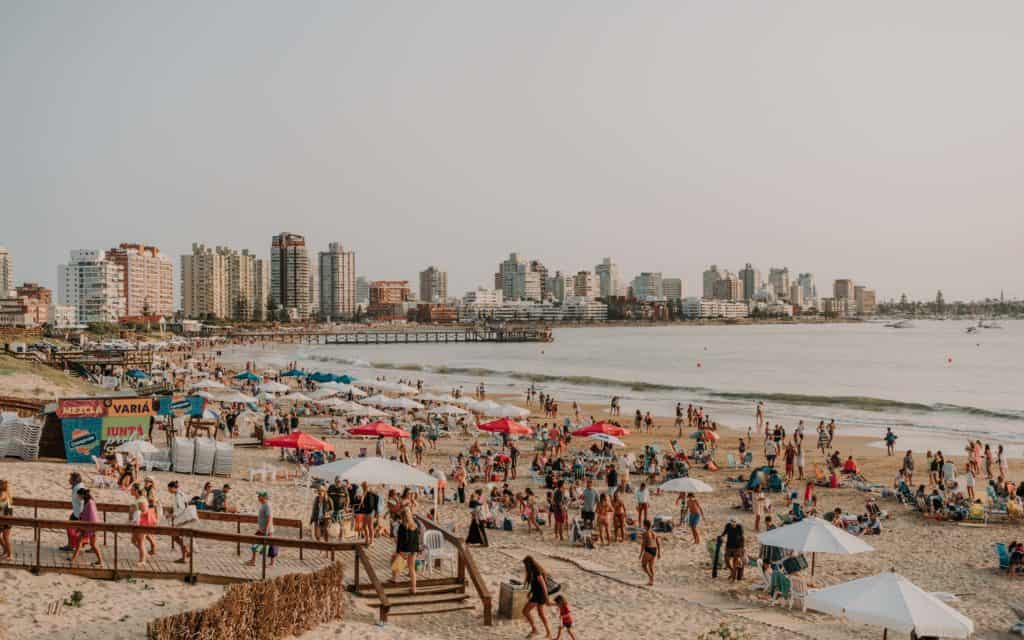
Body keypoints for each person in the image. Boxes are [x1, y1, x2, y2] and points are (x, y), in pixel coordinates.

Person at [522, 555, 556, 638]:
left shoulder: (536, 571)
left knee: (525, 611)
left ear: (529, 564)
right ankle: (548, 632)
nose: (525, 566)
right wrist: (530, 592)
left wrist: (546, 597)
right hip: (537, 594)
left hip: (539, 595)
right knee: (541, 614)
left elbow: (543, 585)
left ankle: (534, 629)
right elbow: (534, 584)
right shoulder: (532, 571)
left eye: (525, 565)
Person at [69, 488, 104, 566]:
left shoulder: (90, 503)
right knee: (82, 543)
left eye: (79, 496)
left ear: (82, 495)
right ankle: (73, 559)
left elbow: (92, 517)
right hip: (89, 526)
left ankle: (100, 561)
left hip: (91, 527)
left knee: (92, 544)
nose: (78, 497)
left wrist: (84, 528)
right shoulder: (88, 502)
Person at [393, 508, 421, 593]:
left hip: (405, 549)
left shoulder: (402, 526)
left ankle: (395, 579)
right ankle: (414, 588)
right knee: (411, 569)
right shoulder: (415, 525)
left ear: (403, 516)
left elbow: (401, 540)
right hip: (413, 549)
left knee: (396, 565)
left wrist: (398, 551)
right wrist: (417, 550)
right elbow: (417, 540)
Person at [168, 480, 196, 563]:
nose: (168, 490)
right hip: (183, 519)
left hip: (181, 519)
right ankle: (186, 553)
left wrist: (173, 515)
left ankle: (185, 555)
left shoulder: (178, 495)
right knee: (177, 537)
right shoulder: (180, 494)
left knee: (178, 537)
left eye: (169, 489)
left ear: (173, 488)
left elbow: (181, 508)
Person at [247, 491, 276, 567]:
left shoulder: (267, 505)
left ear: (263, 497)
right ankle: (253, 560)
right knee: (256, 542)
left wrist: (266, 529)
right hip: (262, 530)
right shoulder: (263, 505)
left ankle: (254, 561)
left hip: (267, 530)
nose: (258, 497)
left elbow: (270, 518)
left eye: (259, 496)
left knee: (269, 545)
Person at [60, 472, 86, 552]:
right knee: (71, 528)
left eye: (70, 479)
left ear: (74, 480)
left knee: (71, 528)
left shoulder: (78, 488)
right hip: (77, 512)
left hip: (79, 514)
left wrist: (81, 515)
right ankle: (72, 545)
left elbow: (82, 501)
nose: (69, 480)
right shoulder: (78, 486)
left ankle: (71, 546)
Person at [720, 517, 745, 582]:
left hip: (737, 547)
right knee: (726, 560)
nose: (733, 524)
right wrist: (720, 536)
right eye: (732, 523)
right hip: (729, 546)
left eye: (734, 523)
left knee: (735, 562)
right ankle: (731, 571)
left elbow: (742, 538)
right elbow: (724, 533)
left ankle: (734, 578)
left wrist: (742, 548)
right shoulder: (728, 526)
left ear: (736, 522)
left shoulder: (739, 527)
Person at [639, 519, 660, 585]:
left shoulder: (645, 533)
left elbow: (643, 544)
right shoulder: (654, 533)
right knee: (651, 567)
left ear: (645, 525)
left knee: (643, 565)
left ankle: (650, 576)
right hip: (654, 549)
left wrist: (640, 554)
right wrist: (659, 553)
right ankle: (651, 581)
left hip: (649, 549)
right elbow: (658, 543)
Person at [0, 479, 12, 561]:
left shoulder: (4, 495)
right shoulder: (4, 494)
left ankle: (10, 555)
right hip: (2, 518)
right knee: (4, 537)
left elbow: (2, 507)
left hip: (6, 519)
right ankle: (5, 550)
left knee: (6, 537)